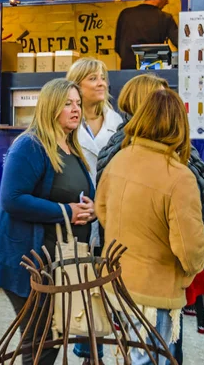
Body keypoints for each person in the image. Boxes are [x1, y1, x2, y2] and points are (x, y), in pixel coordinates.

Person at [0, 78, 95, 365]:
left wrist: (91, 208)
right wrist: (66, 211)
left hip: (57, 261)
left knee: (50, 334)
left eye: (78, 103)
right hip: (27, 258)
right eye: (67, 103)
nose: (75, 109)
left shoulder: (71, 147)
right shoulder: (30, 146)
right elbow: (13, 199)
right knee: (40, 337)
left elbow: (78, 193)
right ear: (51, 106)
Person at [97, 88, 204, 363]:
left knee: (135, 356)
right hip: (155, 292)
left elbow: (101, 208)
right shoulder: (179, 176)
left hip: (119, 282)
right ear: (179, 124)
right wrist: (188, 273)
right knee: (151, 358)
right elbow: (191, 250)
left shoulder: (120, 158)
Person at [66, 57, 122, 364]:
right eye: (93, 79)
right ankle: (89, 353)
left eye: (103, 78)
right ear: (77, 86)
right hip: (79, 217)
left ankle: (95, 351)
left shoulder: (118, 123)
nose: (101, 83)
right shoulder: (67, 123)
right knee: (83, 288)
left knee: (102, 286)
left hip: (109, 218)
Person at [115, 0, 179, 69]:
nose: (167, 2)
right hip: (153, 68)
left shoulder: (125, 14)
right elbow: (179, 42)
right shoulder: (165, 17)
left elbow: (117, 46)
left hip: (128, 68)